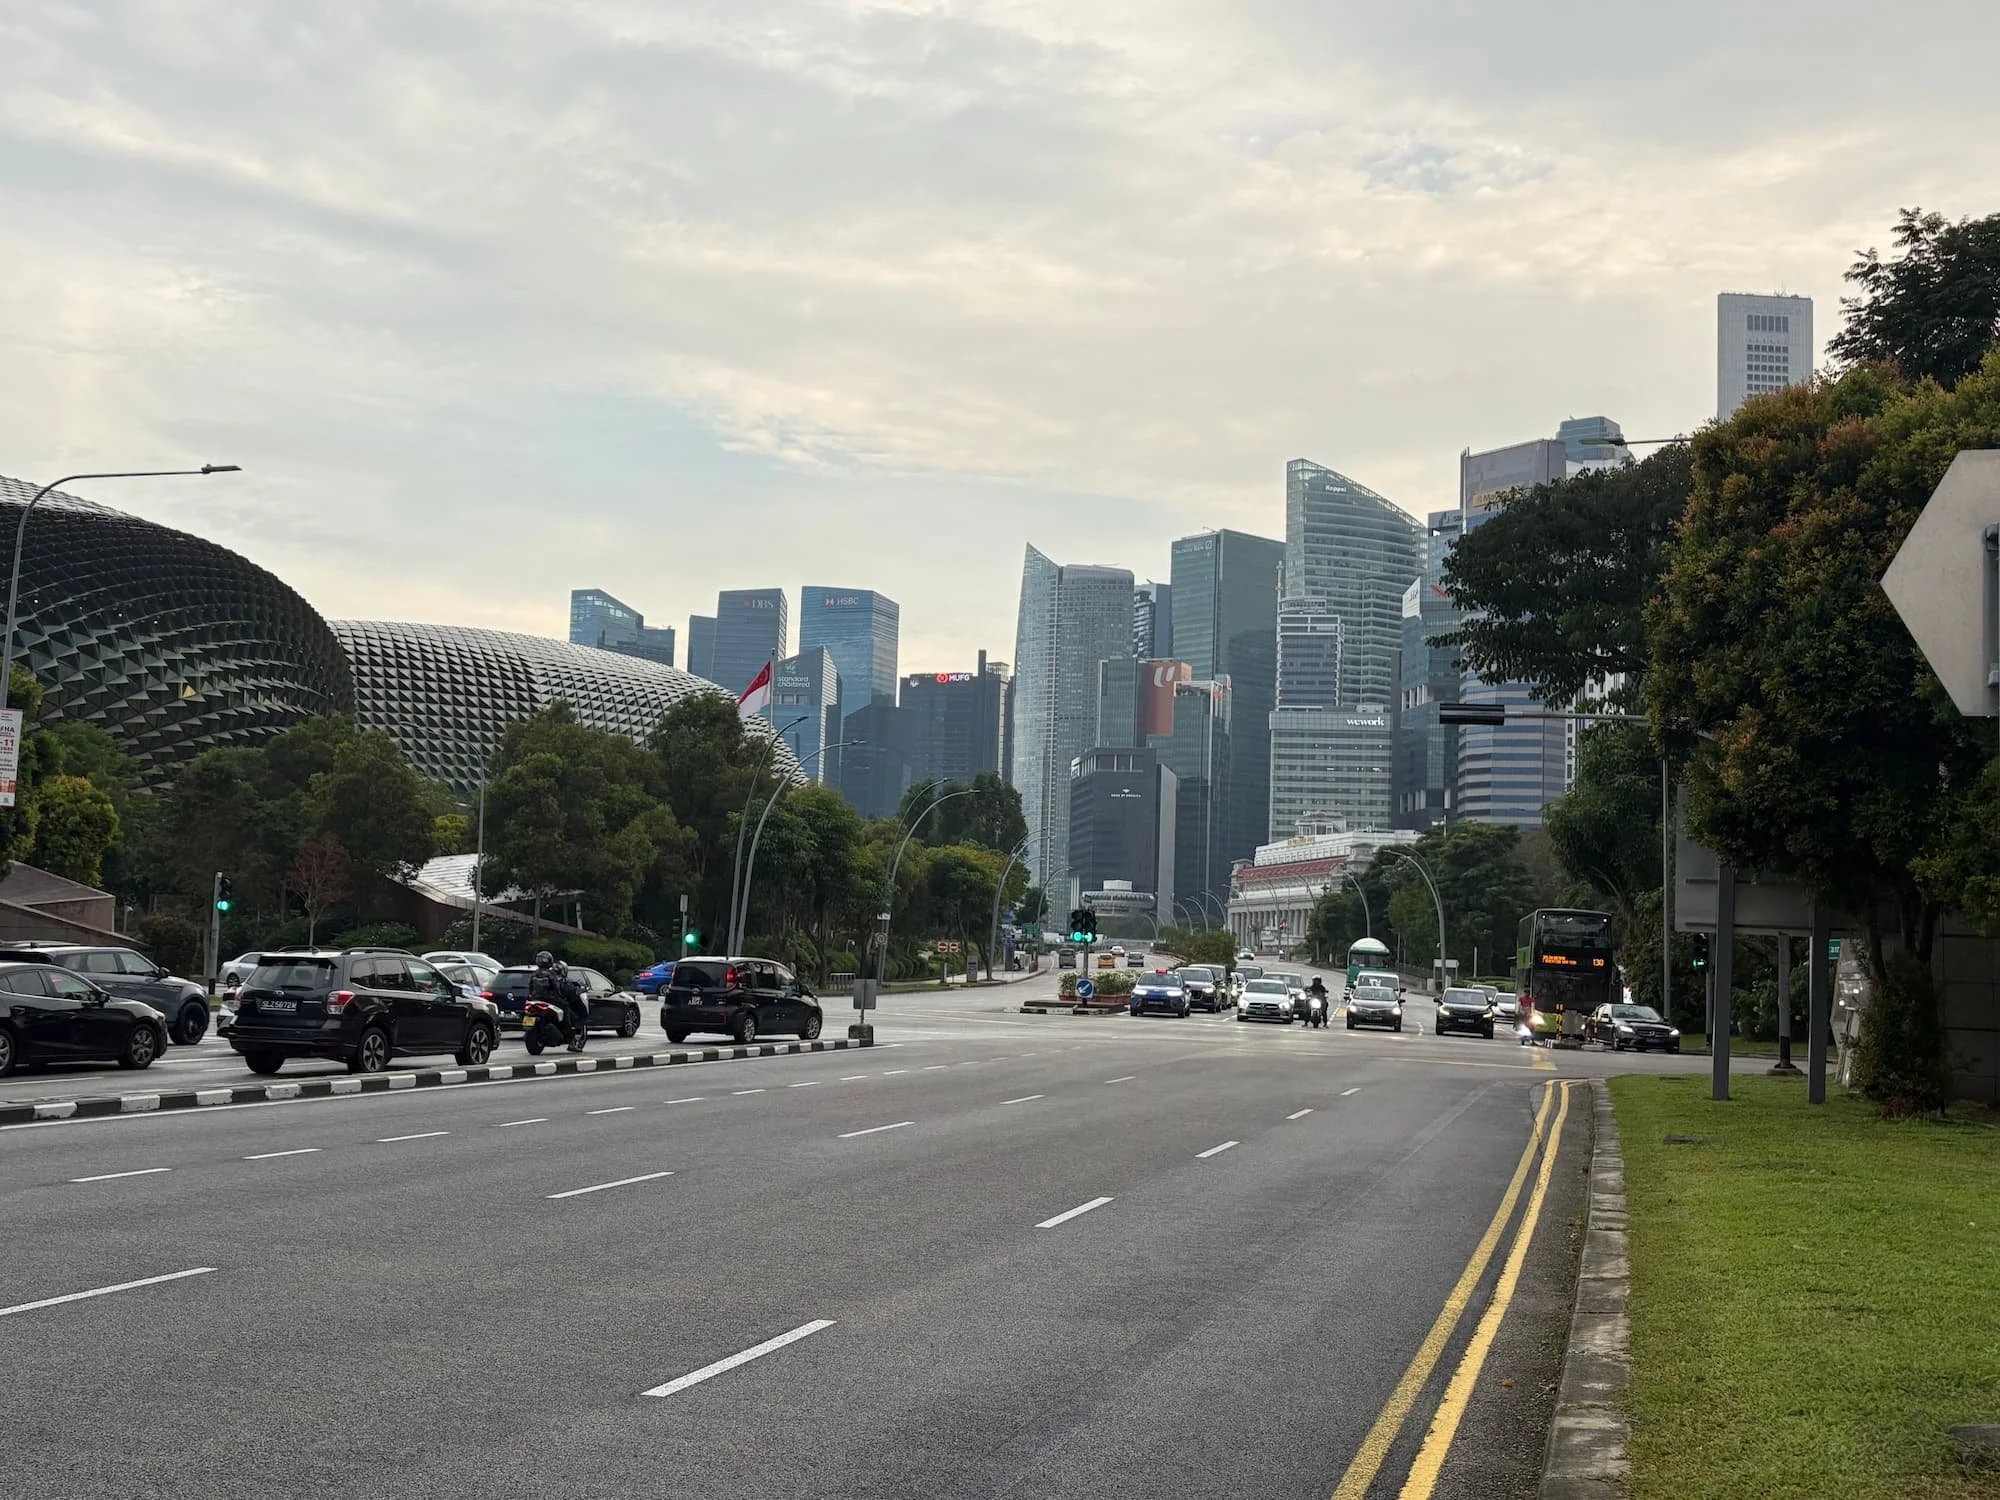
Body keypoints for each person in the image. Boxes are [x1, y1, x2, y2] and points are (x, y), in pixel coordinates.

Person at [530, 949, 589, 1052]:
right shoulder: (550, 974)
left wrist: (532, 996)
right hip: (550, 999)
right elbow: (556, 988)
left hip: (535, 999)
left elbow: (530, 987)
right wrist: (560, 996)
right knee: (565, 1006)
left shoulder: (534, 973)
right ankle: (567, 1028)